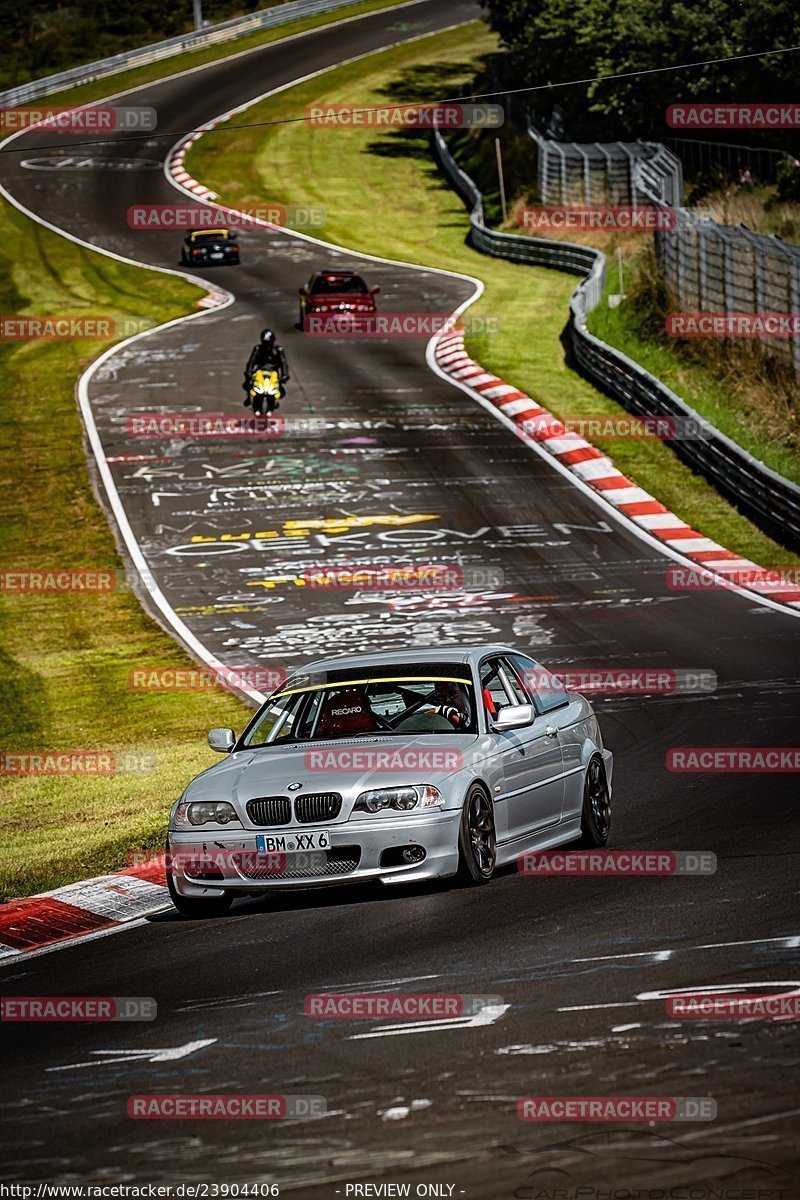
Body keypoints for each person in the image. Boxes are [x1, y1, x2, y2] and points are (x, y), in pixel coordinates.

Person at [243, 329, 289, 404]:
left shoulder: (278, 350)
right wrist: (248, 372)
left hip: (273, 372)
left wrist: (285, 375)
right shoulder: (258, 348)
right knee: (250, 383)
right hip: (260, 371)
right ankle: (249, 396)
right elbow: (251, 362)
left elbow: (283, 363)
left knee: (279, 387)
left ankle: (274, 399)